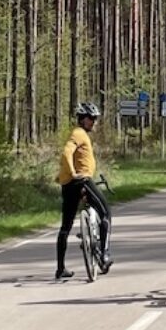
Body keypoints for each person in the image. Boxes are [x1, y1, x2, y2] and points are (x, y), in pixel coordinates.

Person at [55, 100, 113, 280]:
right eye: (91, 118)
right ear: (82, 118)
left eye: (95, 119)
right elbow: (66, 152)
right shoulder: (79, 133)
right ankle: (104, 254)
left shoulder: (79, 134)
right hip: (82, 181)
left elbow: (69, 156)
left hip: (68, 185)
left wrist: (66, 174)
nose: (94, 122)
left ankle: (60, 269)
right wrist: (74, 173)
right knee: (106, 213)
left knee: (65, 226)